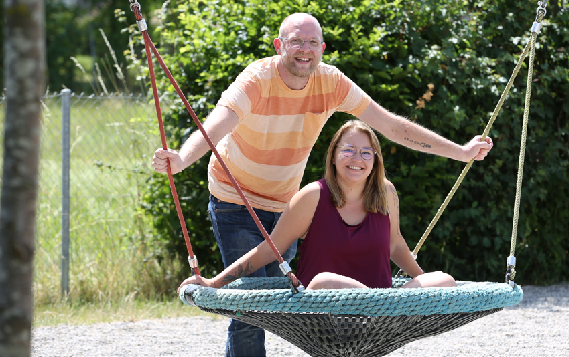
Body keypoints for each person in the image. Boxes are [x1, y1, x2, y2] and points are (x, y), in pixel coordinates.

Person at [154, 12, 488, 357]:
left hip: (284, 202)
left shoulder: (331, 83)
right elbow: (217, 123)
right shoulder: (258, 79)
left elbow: (391, 126)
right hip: (235, 199)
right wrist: (181, 159)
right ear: (279, 45)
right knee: (249, 308)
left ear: (323, 49)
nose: (305, 49)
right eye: (296, 41)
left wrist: (460, 152)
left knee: (276, 302)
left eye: (313, 42)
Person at [178, 120, 455, 294]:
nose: (356, 158)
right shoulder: (312, 196)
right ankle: (377, 303)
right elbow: (270, 249)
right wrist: (214, 282)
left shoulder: (386, 193)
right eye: (348, 150)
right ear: (333, 157)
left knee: (443, 280)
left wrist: (421, 282)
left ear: (375, 162)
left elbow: (395, 244)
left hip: (382, 307)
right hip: (323, 305)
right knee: (324, 280)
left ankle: (383, 304)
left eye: (365, 152)